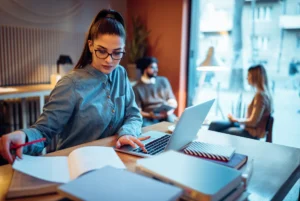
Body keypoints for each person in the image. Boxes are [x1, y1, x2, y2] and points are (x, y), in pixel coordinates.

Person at [0, 9, 149, 165]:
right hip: (75, 164)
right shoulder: (70, 84)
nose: (109, 60)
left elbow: (133, 115)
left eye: (117, 53)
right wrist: (23, 136)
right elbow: (44, 131)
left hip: (114, 159)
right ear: (91, 46)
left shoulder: (120, 73)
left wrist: (126, 134)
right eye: (102, 51)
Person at [208, 64, 273, 139]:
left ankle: (208, 150)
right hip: (247, 128)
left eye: (249, 75)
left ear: (255, 77)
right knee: (214, 124)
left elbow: (253, 122)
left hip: (251, 133)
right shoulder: (265, 94)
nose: (246, 78)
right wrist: (235, 120)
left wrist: (235, 120)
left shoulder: (260, 96)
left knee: (216, 130)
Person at [133, 57, 177, 127]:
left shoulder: (163, 81)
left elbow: (172, 101)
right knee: (150, 132)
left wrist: (169, 112)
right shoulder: (136, 88)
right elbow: (138, 111)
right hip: (149, 118)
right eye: (152, 68)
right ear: (145, 69)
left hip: (166, 114)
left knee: (176, 127)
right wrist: (150, 115)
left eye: (156, 67)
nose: (156, 70)